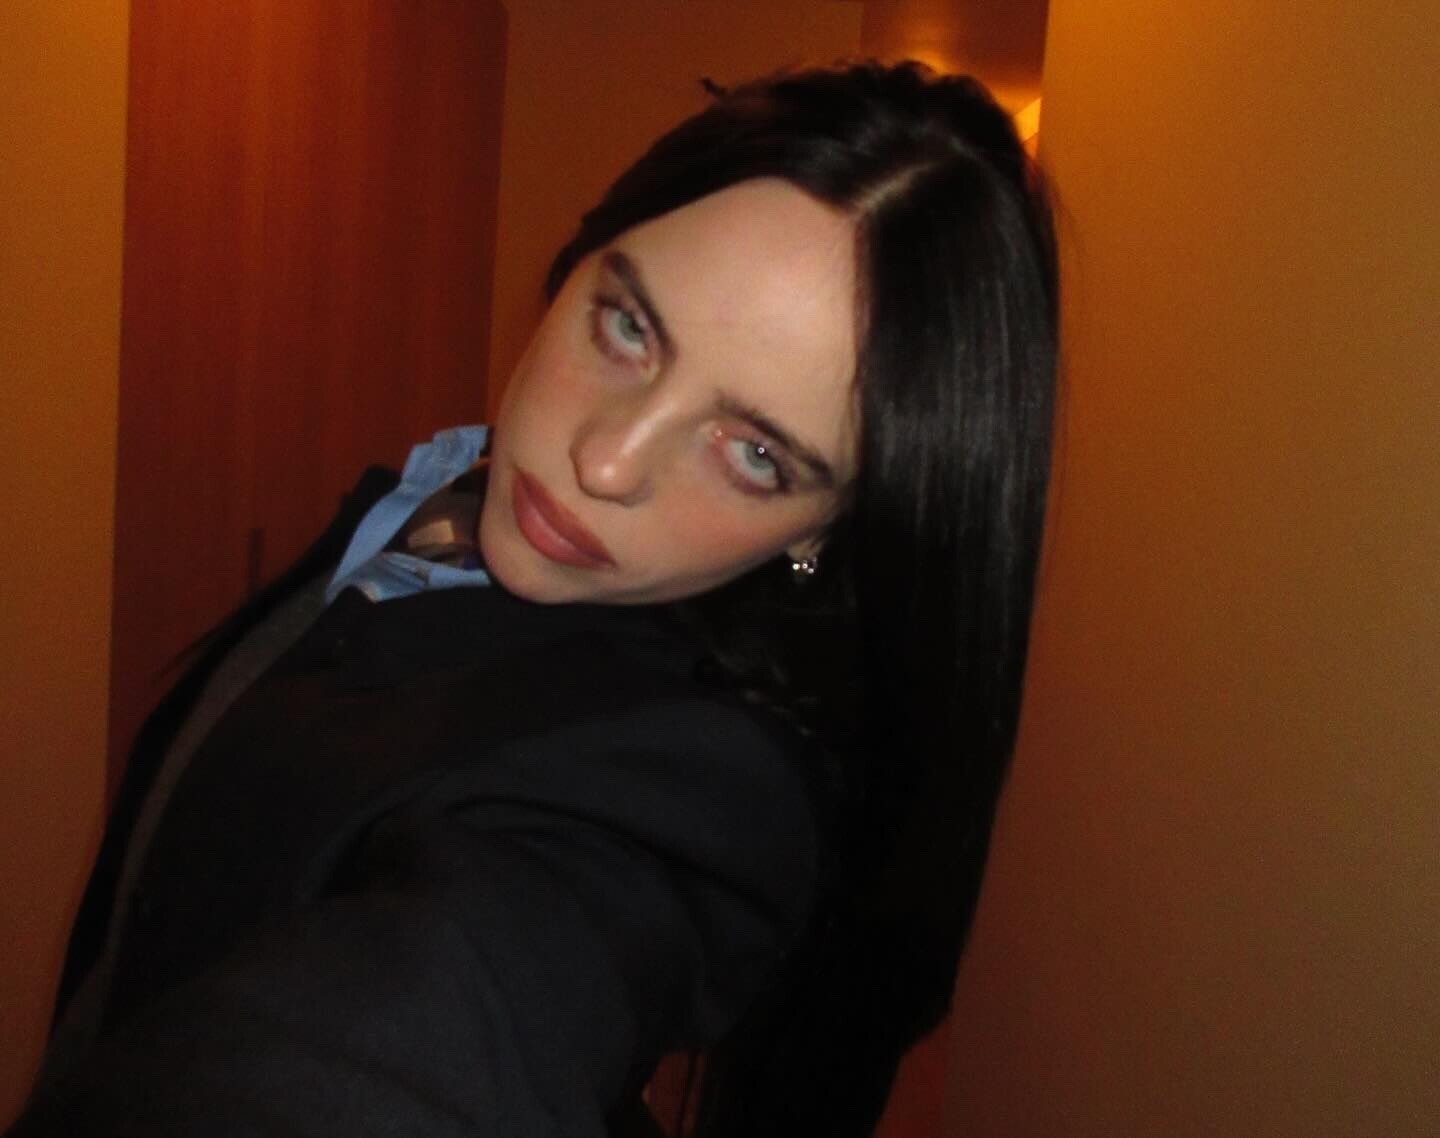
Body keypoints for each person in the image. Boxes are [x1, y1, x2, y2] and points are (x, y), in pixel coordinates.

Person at [9, 60, 1058, 1138]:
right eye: (628, 327)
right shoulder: (454, 492)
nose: (605, 460)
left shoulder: (687, 785)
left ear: (826, 530)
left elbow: (476, 997)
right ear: (577, 264)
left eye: (755, 454)